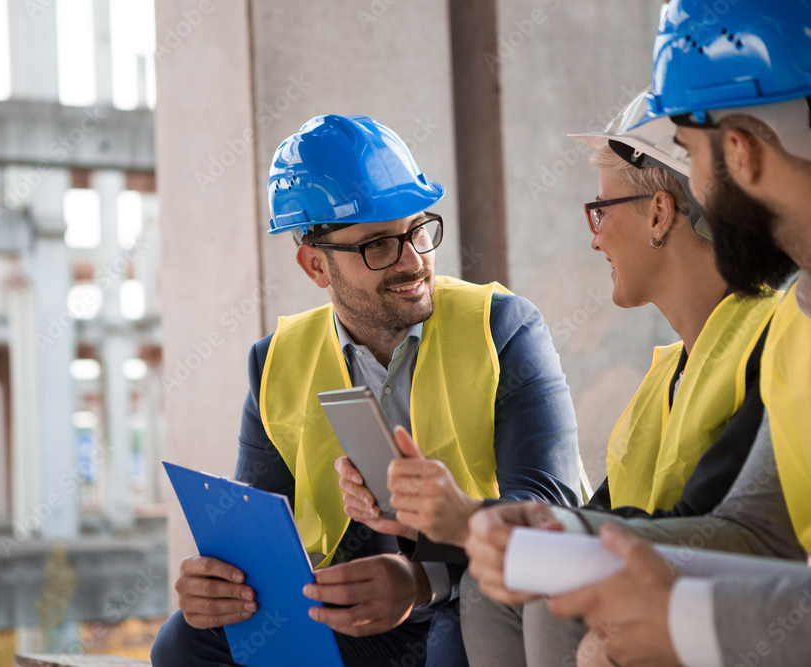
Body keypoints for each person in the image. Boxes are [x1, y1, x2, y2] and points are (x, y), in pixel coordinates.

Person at [339, 89, 783, 665]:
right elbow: (597, 517)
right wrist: (431, 517)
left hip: (721, 616)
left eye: (601, 210)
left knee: (555, 593)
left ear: (658, 213)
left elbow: (707, 534)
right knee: (490, 587)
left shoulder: (765, 342)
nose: (594, 236)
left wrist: (474, 518)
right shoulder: (670, 371)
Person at [149, 114, 582, 666]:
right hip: (359, 613)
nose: (413, 260)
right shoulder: (276, 360)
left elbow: (547, 507)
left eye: (418, 230)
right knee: (184, 642)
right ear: (315, 266)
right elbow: (259, 532)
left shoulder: (503, 328)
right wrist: (221, 582)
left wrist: (423, 578)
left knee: (456, 638)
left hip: (482, 592)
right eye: (378, 244)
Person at [466, 1, 811, 664]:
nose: (694, 198)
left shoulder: (771, 328)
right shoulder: (800, 317)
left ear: (739, 152)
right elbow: (758, 530)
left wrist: (692, 618)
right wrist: (562, 528)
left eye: (690, 155)